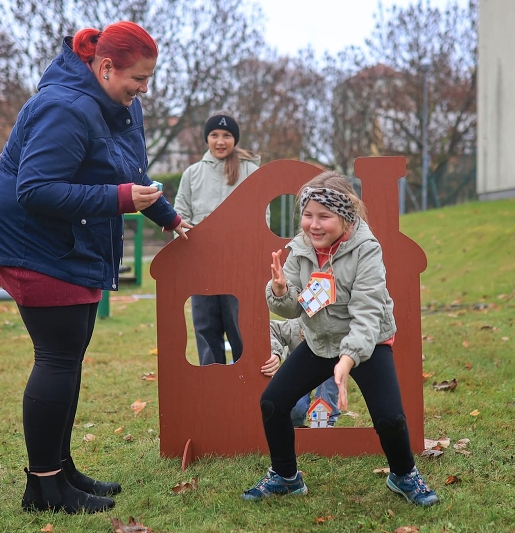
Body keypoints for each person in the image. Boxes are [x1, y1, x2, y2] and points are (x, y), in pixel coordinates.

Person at [0, 23, 191, 514]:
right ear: (105, 67)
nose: (144, 89)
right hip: (35, 243)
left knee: (68, 357)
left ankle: (61, 470)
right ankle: (44, 488)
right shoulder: (64, 107)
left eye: (149, 78)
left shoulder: (121, 105)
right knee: (57, 357)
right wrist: (119, 200)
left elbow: (130, 171)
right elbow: (35, 189)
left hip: (71, 240)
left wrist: (168, 216)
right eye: (138, 78)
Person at [243, 170, 439, 506]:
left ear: (345, 216)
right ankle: (286, 477)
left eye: (324, 216)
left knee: (389, 418)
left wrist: (347, 360)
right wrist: (279, 290)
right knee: (273, 402)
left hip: (367, 342)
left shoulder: (366, 249)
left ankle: (404, 475)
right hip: (321, 341)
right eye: (307, 215)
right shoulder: (300, 248)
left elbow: (368, 313)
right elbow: (293, 308)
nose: (313, 225)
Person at [173, 111, 260, 365]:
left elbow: (261, 216)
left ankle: (246, 379)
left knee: (240, 325)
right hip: (202, 266)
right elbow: (180, 215)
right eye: (214, 135)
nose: (220, 141)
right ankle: (211, 382)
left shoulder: (251, 171)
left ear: (235, 139)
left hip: (239, 266)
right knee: (206, 326)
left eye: (226, 135)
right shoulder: (192, 174)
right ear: (207, 138)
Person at [263, 318, 340, 427]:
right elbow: (269, 329)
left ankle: (325, 425)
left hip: (330, 364)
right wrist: (275, 352)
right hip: (301, 367)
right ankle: (295, 426)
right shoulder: (296, 325)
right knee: (296, 408)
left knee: (324, 404)